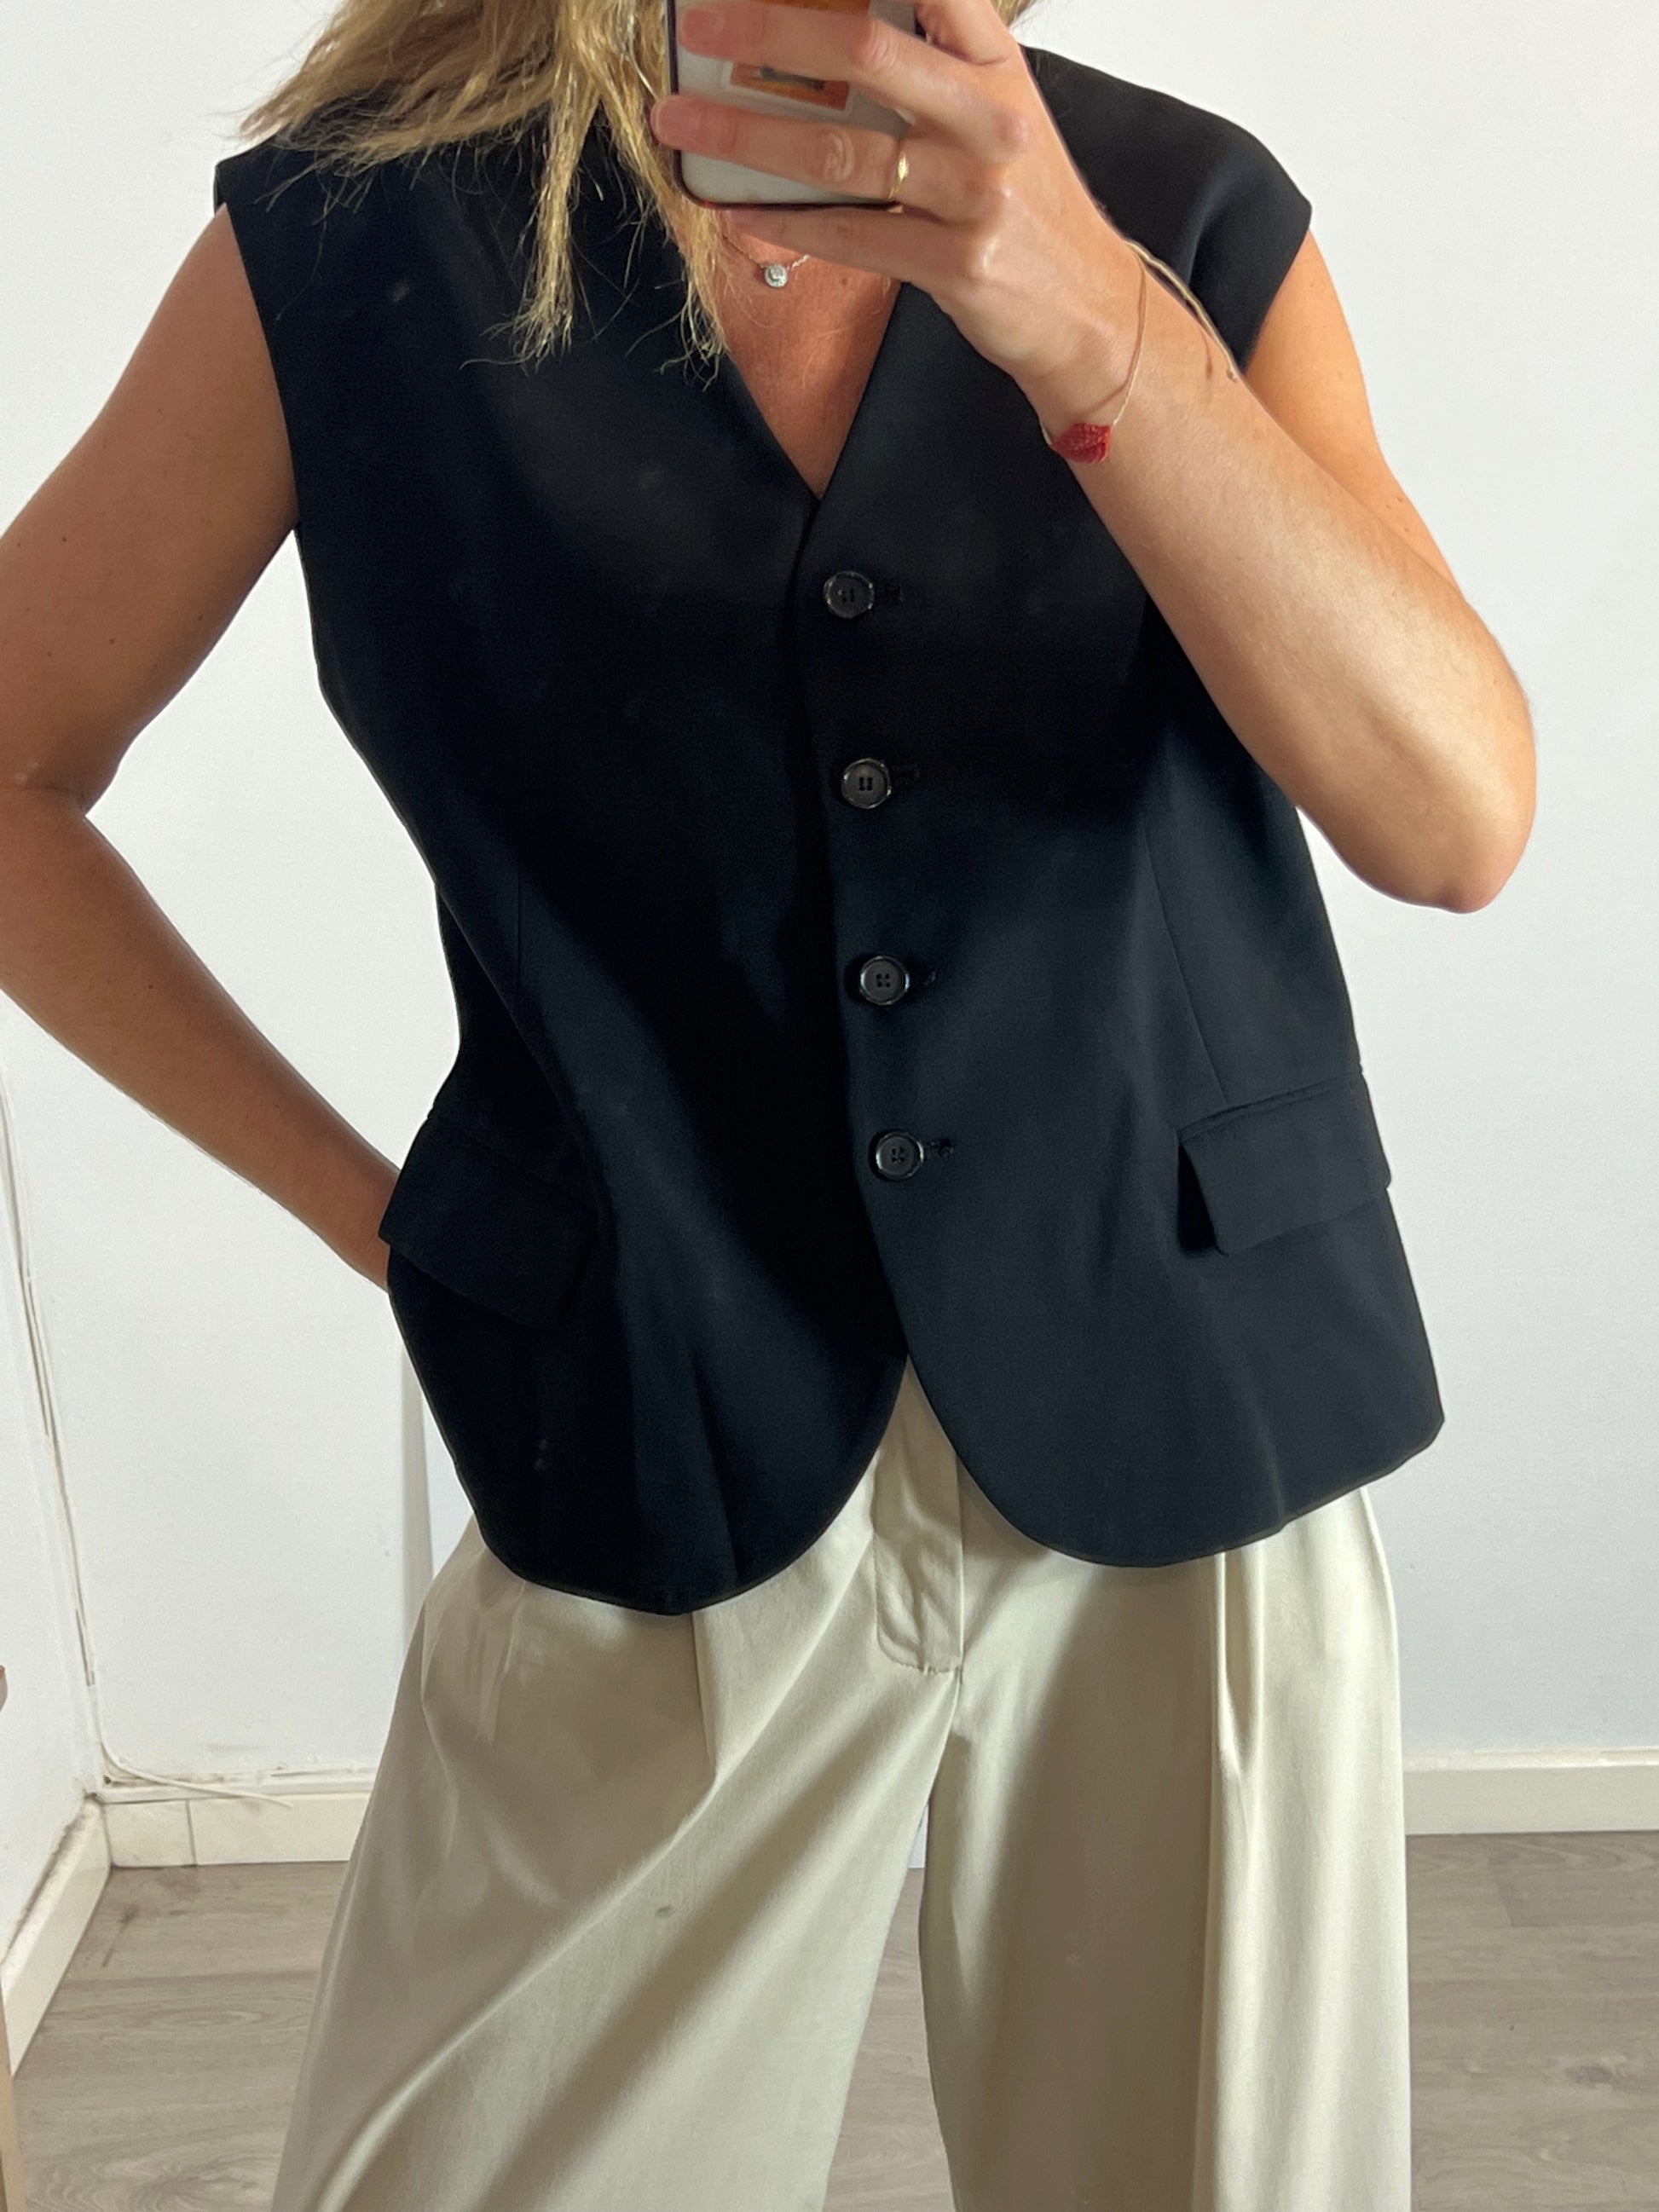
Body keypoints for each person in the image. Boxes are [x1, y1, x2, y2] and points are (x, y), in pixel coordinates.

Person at [0, 0, 1534, 2203]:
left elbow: (1454, 820)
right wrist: (381, 1212)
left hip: (1190, 1396)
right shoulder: (348, 245)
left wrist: (1089, 325)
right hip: (651, 1402)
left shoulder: (1174, 212)